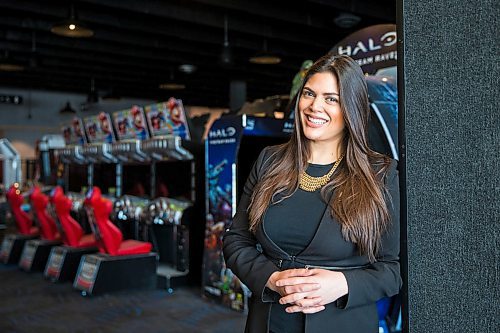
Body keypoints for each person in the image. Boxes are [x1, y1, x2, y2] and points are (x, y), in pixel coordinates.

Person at [223, 53, 401, 333]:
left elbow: (393, 268)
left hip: (343, 323)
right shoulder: (269, 161)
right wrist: (271, 279)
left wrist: (342, 284)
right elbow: (236, 241)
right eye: (309, 94)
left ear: (351, 107)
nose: (315, 106)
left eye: (331, 98)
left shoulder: (380, 174)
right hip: (269, 321)